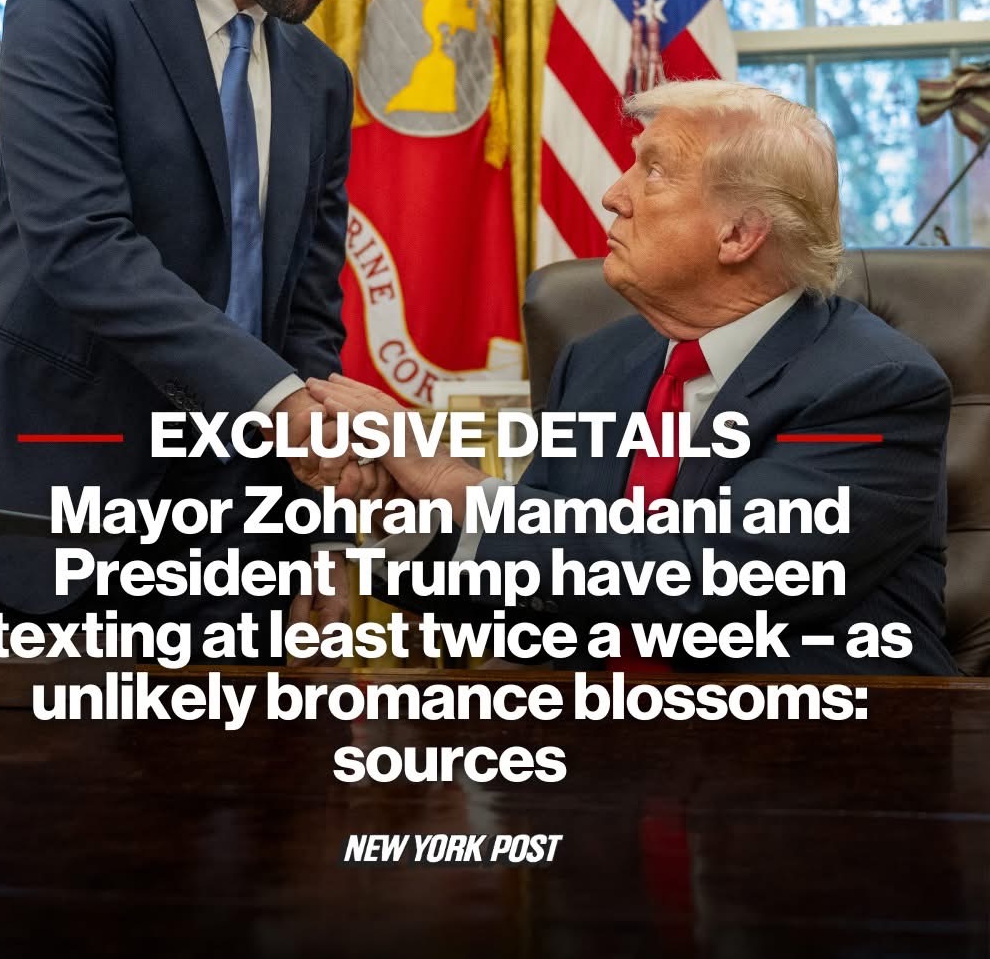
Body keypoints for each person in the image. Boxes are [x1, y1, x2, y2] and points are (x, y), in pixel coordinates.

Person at [0, 0, 421, 650]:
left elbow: (305, 314)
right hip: (48, 503)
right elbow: (82, 247)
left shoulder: (319, 80)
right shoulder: (72, 1)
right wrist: (278, 403)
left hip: (234, 540)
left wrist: (317, 534)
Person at [311, 80, 958, 675]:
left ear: (739, 235)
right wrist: (407, 517)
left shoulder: (875, 387)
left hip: (811, 749)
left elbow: (706, 580)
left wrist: (451, 481)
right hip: (606, 744)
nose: (613, 195)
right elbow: (539, 597)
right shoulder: (597, 364)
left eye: (653, 171)